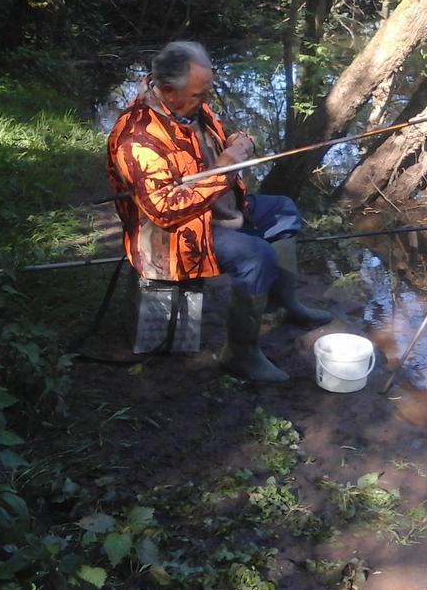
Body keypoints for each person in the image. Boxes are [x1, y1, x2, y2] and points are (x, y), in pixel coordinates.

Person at [106, 41, 331, 382]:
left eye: (206, 93)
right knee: (255, 255)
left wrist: (240, 142)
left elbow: (226, 133)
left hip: (217, 209)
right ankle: (241, 353)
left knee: (284, 212)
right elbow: (165, 211)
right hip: (172, 233)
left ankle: (286, 304)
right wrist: (225, 169)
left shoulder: (192, 108)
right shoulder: (137, 138)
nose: (205, 101)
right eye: (198, 95)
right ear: (166, 90)